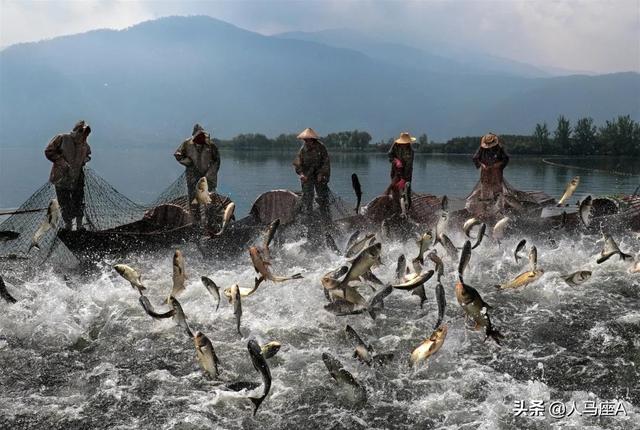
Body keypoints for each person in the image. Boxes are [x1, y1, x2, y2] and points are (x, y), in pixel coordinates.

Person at [44, 120, 92, 231]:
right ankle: (68, 225)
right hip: (61, 177)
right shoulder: (62, 138)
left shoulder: (84, 144)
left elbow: (88, 155)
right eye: (82, 132)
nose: (84, 136)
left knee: (79, 201)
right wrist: (60, 160)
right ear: (76, 131)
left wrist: (84, 160)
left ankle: (79, 226)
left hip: (77, 177)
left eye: (86, 134)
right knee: (64, 202)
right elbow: (48, 151)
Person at [174, 124, 220, 220]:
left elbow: (216, 160)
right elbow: (178, 155)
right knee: (193, 200)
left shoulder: (211, 146)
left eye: (201, 136)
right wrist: (189, 163)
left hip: (208, 177)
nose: (200, 138)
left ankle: (210, 222)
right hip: (192, 176)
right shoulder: (187, 144)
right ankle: (196, 222)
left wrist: (209, 174)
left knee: (210, 199)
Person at [466, 132, 511, 217]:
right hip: (485, 173)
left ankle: (499, 212)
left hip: (496, 173)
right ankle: (485, 212)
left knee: (497, 192)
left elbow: (506, 159)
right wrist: (482, 165)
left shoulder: (499, 148)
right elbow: (475, 158)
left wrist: (498, 164)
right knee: (485, 193)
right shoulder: (482, 149)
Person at [292, 127, 331, 222]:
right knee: (307, 198)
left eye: (308, 140)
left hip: (320, 175)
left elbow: (326, 162)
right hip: (307, 175)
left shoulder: (321, 147)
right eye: (305, 140)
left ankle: (326, 220)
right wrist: (301, 174)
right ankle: (308, 220)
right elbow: (297, 164)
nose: (306, 142)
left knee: (322, 198)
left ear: (313, 139)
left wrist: (321, 174)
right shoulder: (303, 149)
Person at [386, 132, 415, 212]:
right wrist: (396, 160)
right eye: (403, 143)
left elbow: (408, 167)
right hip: (395, 171)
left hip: (407, 173)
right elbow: (389, 155)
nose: (404, 144)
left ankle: (407, 210)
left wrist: (403, 179)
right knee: (395, 189)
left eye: (406, 143)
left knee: (406, 191)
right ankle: (396, 208)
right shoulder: (395, 145)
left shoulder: (411, 152)